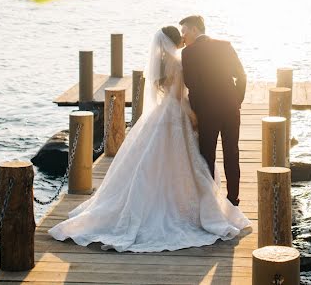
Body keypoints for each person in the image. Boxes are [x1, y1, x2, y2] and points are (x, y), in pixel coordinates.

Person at [47, 26, 249, 252]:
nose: (184, 37)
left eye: (185, 32)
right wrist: (194, 114)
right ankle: (213, 201)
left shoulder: (163, 61)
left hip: (162, 112)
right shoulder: (179, 61)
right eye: (180, 35)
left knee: (154, 159)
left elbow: (164, 87)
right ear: (175, 40)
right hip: (180, 112)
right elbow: (187, 91)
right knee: (205, 157)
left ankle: (185, 200)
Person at [179, 15, 246, 206]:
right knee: (232, 152)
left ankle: (210, 201)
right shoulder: (224, 45)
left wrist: (195, 111)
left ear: (194, 30)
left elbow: (191, 84)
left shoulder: (188, 53)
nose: (183, 37)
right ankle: (233, 199)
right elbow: (241, 75)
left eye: (184, 31)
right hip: (230, 108)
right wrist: (237, 100)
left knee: (207, 154)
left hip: (206, 111)